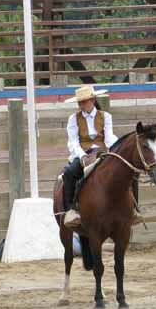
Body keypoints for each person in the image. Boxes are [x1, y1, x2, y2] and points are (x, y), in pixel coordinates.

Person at [61, 85, 142, 229]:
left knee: (130, 172)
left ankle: (134, 209)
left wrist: (115, 150)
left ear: (93, 99)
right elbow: (73, 141)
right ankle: (70, 210)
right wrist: (83, 157)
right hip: (83, 153)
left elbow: (109, 136)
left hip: (102, 152)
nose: (81, 105)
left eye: (84, 101)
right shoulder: (73, 119)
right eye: (80, 102)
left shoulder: (105, 116)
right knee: (69, 173)